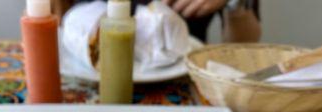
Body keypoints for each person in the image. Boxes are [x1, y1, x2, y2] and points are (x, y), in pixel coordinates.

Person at [53, 0, 260, 43]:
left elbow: (246, 44)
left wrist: (235, 3)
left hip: (184, 82)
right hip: (85, 81)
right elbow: (56, 20)